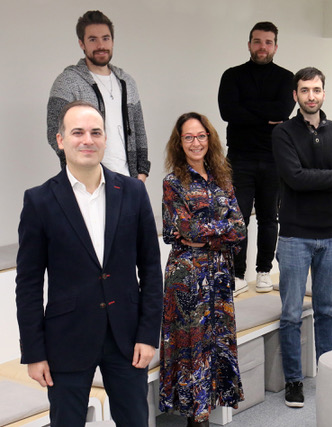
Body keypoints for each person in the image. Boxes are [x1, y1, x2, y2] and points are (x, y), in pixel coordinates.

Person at [15, 101, 163, 427]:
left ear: (105, 139)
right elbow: (28, 285)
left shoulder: (133, 192)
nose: (87, 140)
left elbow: (152, 270)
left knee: (135, 421)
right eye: (77, 132)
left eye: (96, 132)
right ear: (60, 140)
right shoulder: (39, 201)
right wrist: (34, 352)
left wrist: (148, 334)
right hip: (66, 339)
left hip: (127, 338)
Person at [158, 112, 246, 426]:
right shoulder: (173, 183)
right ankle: (197, 419)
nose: (196, 143)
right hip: (189, 280)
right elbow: (184, 230)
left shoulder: (222, 178)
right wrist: (219, 232)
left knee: (216, 344)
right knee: (193, 349)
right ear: (179, 143)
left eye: (201, 136)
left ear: (210, 138)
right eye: (188, 137)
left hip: (219, 278)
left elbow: (240, 229)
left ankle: (205, 414)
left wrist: (205, 237)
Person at [272, 67, 332, 408]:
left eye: (316, 90)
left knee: (326, 311)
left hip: (331, 235)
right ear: (296, 95)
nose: (311, 96)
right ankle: (294, 381)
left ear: (323, 93)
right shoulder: (283, 133)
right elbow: (296, 178)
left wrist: (327, 177)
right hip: (294, 236)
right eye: (304, 90)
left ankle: (328, 375)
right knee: (291, 313)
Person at [218, 21, 295, 296]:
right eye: (258, 41)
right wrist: (266, 116)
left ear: (275, 46)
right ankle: (238, 274)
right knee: (238, 218)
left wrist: (247, 109)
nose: (262, 47)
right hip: (239, 158)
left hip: (273, 158)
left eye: (268, 42)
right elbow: (228, 111)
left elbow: (283, 110)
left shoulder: (287, 78)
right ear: (249, 44)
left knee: (269, 217)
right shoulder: (232, 75)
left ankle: (264, 271)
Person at [47, 10, 150, 181]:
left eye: (105, 38)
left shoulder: (127, 82)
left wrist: (142, 173)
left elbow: (139, 131)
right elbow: (54, 132)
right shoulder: (67, 82)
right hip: (87, 182)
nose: (101, 45)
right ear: (82, 44)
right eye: (93, 39)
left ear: (112, 41)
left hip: (128, 180)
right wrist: (78, 171)